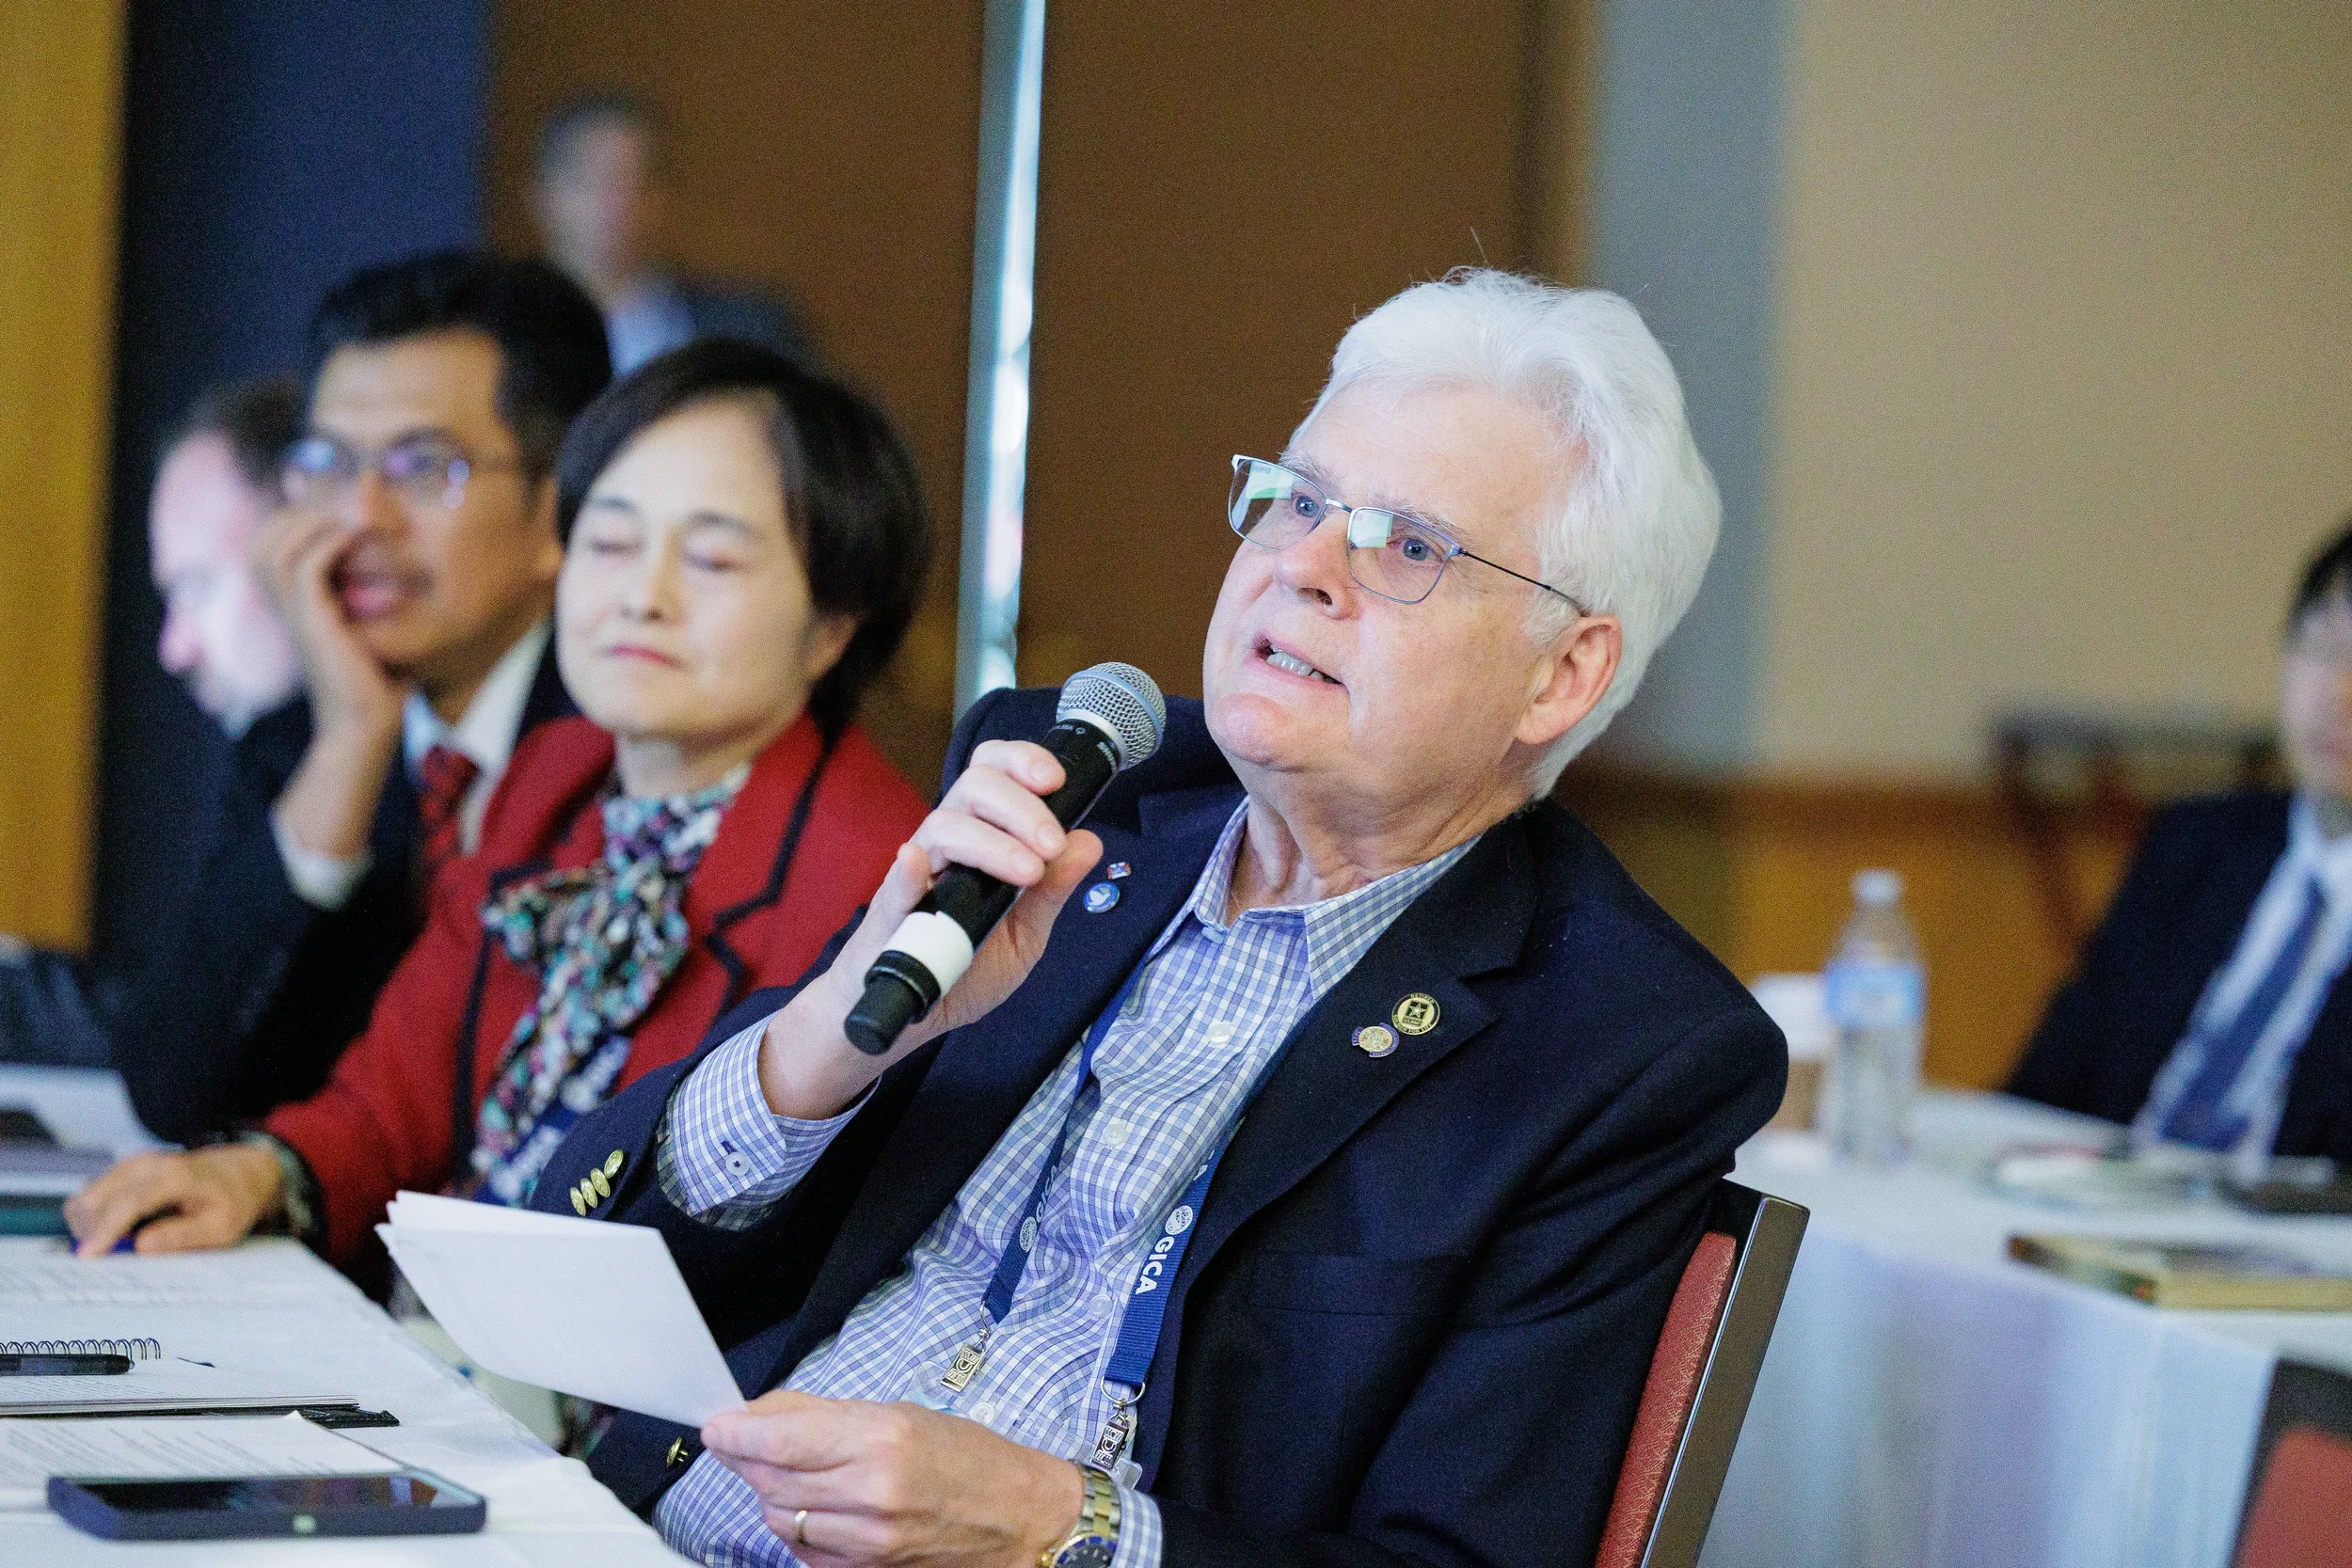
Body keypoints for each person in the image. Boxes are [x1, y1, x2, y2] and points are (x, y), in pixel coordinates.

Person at [528, 270, 1784, 1568]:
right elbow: (602, 1254)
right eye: (1297, 499)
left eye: (1406, 544)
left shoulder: (1615, 1048)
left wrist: (1049, 1523)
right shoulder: (1078, 798)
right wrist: (846, 1025)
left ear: (1560, 673)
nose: (1301, 565)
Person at [66, 340, 933, 1285]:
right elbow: (390, 1102)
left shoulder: (876, 879)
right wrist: (257, 1171)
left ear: (832, 624)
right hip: (450, 1353)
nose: (640, 597)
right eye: (608, 542)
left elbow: (783, 1265)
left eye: (713, 559)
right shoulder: (554, 778)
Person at [106, 251, 612, 1144]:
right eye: (330, 464)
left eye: (423, 467)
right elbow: (176, 1088)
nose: (362, 517)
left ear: (558, 507)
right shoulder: (304, 735)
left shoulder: (630, 740)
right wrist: (350, 742)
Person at [2011, 517, 2352, 1165]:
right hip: (2107, 1213)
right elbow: (2046, 1085)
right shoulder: (2197, 845)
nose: (2339, 694)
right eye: (2319, 646)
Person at [0, 379, 303, 1069]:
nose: (175, 648)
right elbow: (168, 1005)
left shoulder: (374, 773)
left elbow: (188, 1048)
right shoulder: (284, 756)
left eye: (198, 586)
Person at [532, 89, 813, 375]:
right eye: (595, 180)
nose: (619, 202)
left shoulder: (750, 329)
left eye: (641, 181)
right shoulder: (495, 340)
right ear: (542, 195)